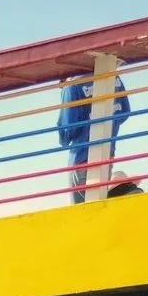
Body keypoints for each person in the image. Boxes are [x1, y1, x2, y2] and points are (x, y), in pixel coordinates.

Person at [58, 73, 131, 202]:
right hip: (107, 153)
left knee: (84, 214)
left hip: (81, 157)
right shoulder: (113, 77)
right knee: (100, 201)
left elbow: (68, 130)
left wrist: (62, 136)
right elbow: (125, 112)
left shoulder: (71, 87)